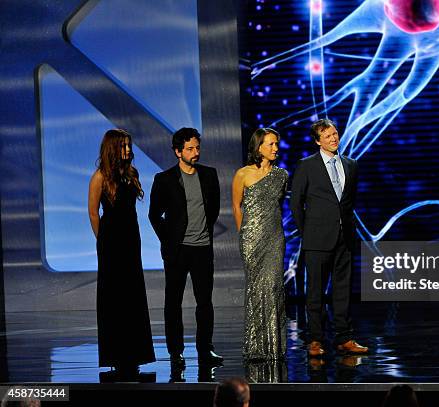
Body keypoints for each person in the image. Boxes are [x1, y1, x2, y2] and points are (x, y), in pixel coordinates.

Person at [290, 118, 368, 357]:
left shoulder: (351, 164)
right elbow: (296, 203)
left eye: (335, 134)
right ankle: (315, 339)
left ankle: (344, 337)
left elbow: (349, 201)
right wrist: (307, 233)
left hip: (344, 237)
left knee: (343, 290)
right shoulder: (306, 165)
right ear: (317, 141)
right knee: (315, 292)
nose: (333, 138)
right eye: (327, 136)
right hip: (317, 239)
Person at [148, 127, 223, 372]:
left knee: (205, 303)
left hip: (202, 248)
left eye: (197, 147)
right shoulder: (165, 179)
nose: (195, 152)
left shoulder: (209, 175)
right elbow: (153, 214)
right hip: (177, 251)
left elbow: (213, 210)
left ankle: (205, 348)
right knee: (173, 303)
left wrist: (202, 232)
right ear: (178, 151)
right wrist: (168, 240)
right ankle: (175, 352)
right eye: (190, 149)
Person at [87, 129, 155, 381]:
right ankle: (116, 357)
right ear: (112, 148)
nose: (128, 150)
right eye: (123, 146)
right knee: (113, 298)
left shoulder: (131, 174)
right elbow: (93, 212)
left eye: (129, 145)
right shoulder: (99, 178)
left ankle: (135, 355)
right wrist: (102, 240)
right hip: (111, 242)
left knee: (133, 295)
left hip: (131, 239)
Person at [232, 128, 288, 361]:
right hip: (251, 240)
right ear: (259, 147)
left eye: (277, 144)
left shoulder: (282, 175)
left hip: (274, 238)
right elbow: (237, 207)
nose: (276, 148)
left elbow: (277, 206)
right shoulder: (243, 174)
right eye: (271, 144)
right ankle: (256, 346)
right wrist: (243, 234)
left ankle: (274, 347)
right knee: (255, 289)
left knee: (274, 288)